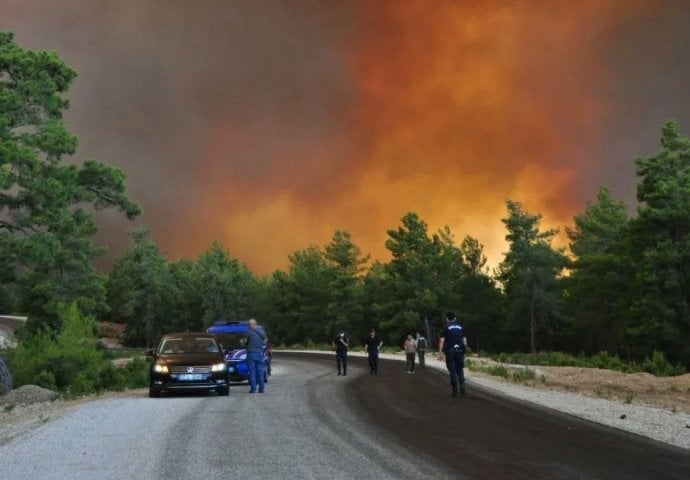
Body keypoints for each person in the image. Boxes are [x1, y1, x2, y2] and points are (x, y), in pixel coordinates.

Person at [437, 311, 467, 397]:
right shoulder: (461, 327)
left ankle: (455, 390)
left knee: (452, 370)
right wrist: (464, 351)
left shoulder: (446, 327)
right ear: (455, 318)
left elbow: (442, 340)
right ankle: (462, 386)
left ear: (447, 319)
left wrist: (440, 352)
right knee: (460, 369)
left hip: (450, 351)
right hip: (460, 351)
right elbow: (464, 341)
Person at [246, 318, 267, 393]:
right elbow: (265, 341)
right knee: (260, 371)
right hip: (260, 353)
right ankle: (261, 389)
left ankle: (253, 389)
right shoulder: (262, 332)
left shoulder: (249, 333)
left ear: (252, 325)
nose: (248, 326)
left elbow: (245, 342)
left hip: (251, 353)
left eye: (249, 325)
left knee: (252, 372)